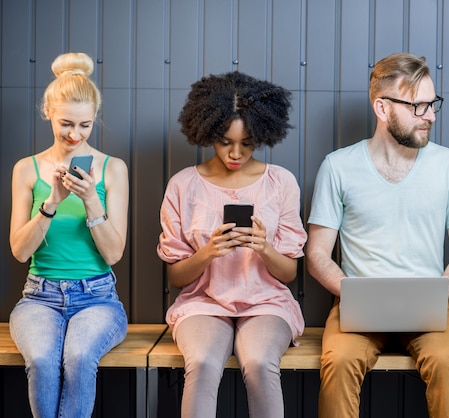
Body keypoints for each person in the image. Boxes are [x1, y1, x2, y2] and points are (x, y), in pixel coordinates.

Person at [306, 52, 449, 418]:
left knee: (447, 363)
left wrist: (434, 293)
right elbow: (318, 254)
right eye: (418, 107)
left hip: (430, 303)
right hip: (357, 303)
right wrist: (353, 292)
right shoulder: (337, 167)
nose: (430, 116)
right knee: (337, 363)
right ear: (382, 109)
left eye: (433, 105)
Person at [157, 71, 307, 418]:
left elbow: (289, 274)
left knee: (258, 361)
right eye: (225, 142)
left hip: (266, 302)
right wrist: (208, 253)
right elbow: (176, 278)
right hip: (203, 303)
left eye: (247, 142)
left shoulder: (281, 182)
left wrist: (264, 248)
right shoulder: (182, 185)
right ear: (208, 132)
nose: (236, 153)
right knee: (204, 362)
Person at [8, 52, 129, 418]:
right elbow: (18, 251)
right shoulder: (26, 170)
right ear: (48, 112)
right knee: (43, 360)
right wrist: (51, 204)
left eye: (85, 125)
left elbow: (113, 254)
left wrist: (92, 200)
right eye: (66, 124)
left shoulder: (112, 169)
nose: (75, 135)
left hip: (97, 298)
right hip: (39, 297)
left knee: (77, 357)